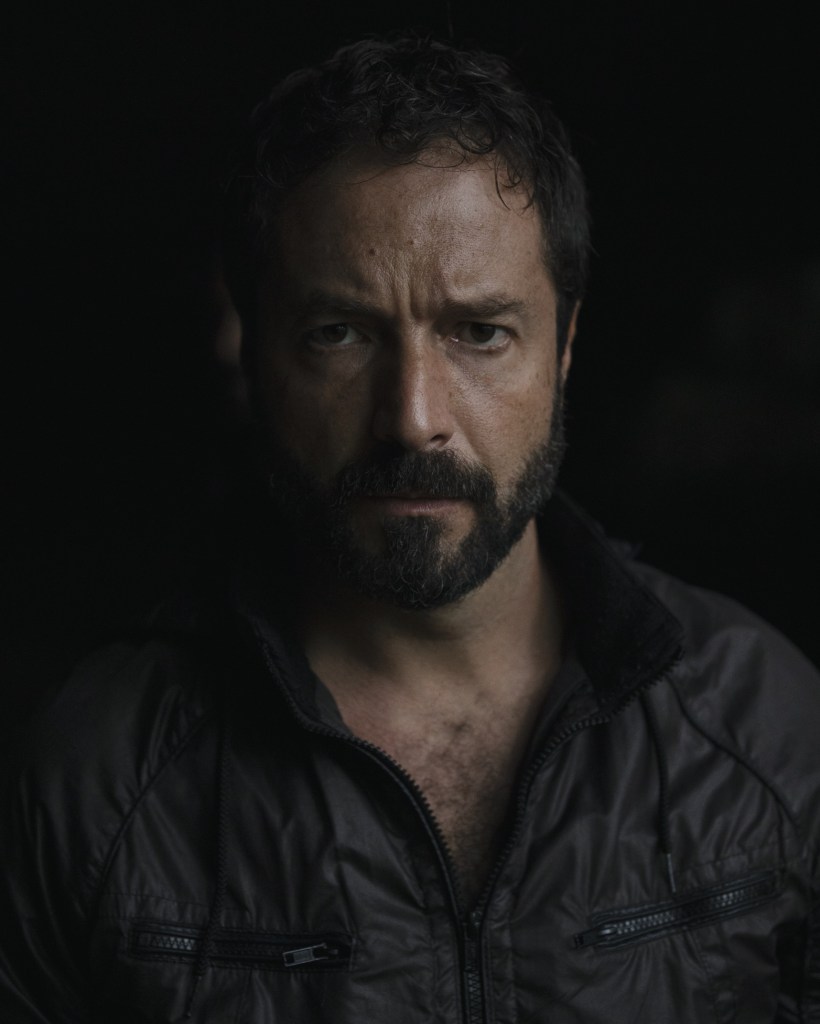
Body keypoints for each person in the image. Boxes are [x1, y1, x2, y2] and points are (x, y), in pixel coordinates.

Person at [2, 34, 819, 1024]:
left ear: (563, 348)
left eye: (479, 332)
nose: (412, 417)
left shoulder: (767, 729)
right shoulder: (94, 779)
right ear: (253, 355)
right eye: (339, 333)